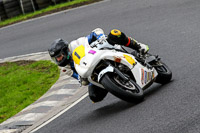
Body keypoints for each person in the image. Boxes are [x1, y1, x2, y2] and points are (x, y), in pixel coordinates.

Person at [48, 28, 149, 103]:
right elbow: (78, 77)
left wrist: (101, 37)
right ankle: (115, 83)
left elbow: (95, 32)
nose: (59, 59)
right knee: (94, 96)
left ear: (66, 50)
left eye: (60, 56)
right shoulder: (65, 68)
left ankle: (139, 47)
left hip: (100, 53)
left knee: (114, 34)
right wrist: (81, 79)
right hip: (92, 72)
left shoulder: (75, 44)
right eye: (56, 58)